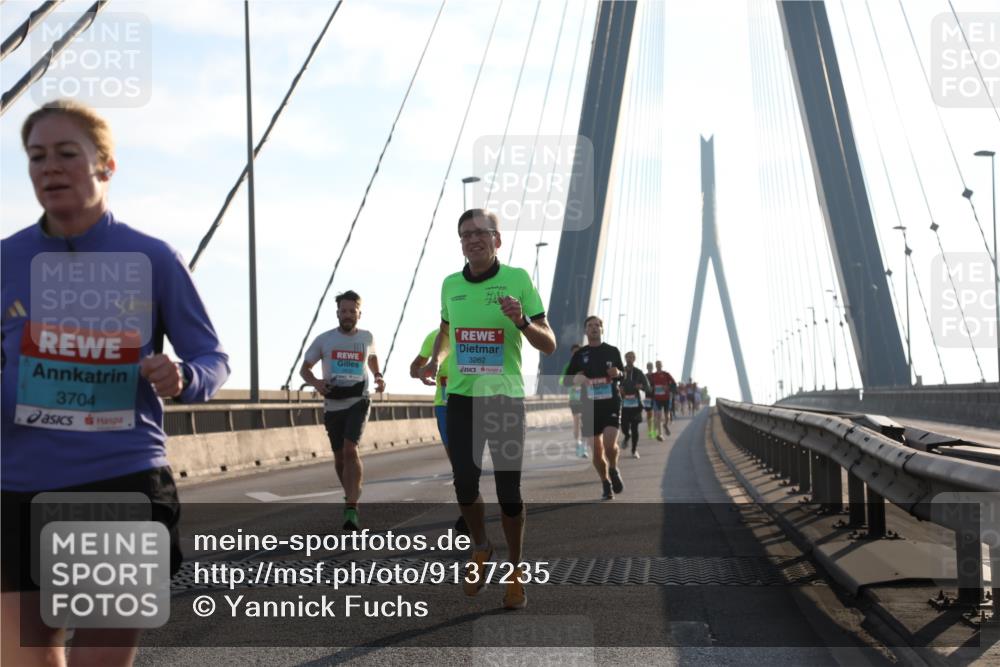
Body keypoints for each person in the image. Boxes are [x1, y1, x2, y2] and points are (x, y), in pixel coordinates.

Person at [1, 99, 230, 667]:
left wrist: (185, 376)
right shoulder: (6, 259)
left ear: (105, 165)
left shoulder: (151, 257)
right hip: (16, 484)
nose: (49, 168)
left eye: (65, 154)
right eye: (36, 157)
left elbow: (210, 355)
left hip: (118, 480)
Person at [419, 209, 555, 610]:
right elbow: (446, 333)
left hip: (504, 399)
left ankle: (515, 573)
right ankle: (481, 545)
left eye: (481, 233)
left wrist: (523, 323)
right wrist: (435, 360)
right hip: (461, 398)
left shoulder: (518, 280)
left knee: (509, 493)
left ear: (498, 239)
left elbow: (548, 344)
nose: (472, 239)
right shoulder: (449, 285)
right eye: (465, 234)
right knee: (464, 484)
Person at [300, 290, 385, 532]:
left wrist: (378, 376)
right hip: (333, 403)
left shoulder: (367, 337)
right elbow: (305, 369)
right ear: (338, 313)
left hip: (359, 400)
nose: (348, 315)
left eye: (352, 311)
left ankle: (351, 505)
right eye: (344, 311)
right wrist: (316, 383)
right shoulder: (325, 340)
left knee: (350, 449)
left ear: (359, 313)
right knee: (339, 457)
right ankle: (350, 495)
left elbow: (373, 358)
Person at [410, 328, 468, 535]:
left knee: (469, 464)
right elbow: (413, 368)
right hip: (444, 407)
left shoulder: (475, 330)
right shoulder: (433, 336)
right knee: (459, 467)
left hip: (474, 402)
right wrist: (422, 372)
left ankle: (470, 512)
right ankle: (468, 512)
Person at [564, 316, 624, 500]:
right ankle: (605, 483)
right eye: (590, 325)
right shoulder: (579, 355)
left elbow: (623, 375)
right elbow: (567, 380)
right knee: (596, 452)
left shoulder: (612, 351)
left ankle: (613, 469)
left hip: (610, 403)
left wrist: (618, 373)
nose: (594, 328)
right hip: (589, 407)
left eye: (597, 325)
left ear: (602, 329)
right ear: (585, 331)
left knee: (609, 445)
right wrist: (577, 379)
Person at [619, 351, 651, 458]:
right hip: (624, 404)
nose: (629, 359)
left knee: (634, 428)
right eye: (627, 357)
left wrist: (640, 387)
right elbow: (613, 385)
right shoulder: (620, 372)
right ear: (625, 358)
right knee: (624, 427)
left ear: (634, 359)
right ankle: (627, 436)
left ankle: (634, 450)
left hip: (636, 405)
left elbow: (648, 387)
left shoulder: (638, 372)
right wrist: (619, 389)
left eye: (631, 357)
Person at [561, 344, 587, 458]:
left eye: (578, 352)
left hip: (586, 397)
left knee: (585, 423)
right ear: (572, 354)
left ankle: (584, 448)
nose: (576, 354)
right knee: (577, 420)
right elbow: (562, 380)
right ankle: (578, 444)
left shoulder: (586, 364)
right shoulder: (568, 365)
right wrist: (574, 378)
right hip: (574, 397)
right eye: (574, 352)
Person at [647, 361, 674, 439]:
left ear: (662, 365)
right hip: (655, 398)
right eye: (657, 365)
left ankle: (665, 425)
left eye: (659, 365)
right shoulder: (652, 376)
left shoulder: (666, 374)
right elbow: (648, 385)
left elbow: (674, 384)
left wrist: (668, 387)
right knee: (656, 415)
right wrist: (651, 388)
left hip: (666, 398)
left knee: (667, 417)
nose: (658, 366)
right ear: (655, 366)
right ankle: (659, 434)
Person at [644, 361, 657, 439]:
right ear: (647, 367)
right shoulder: (644, 376)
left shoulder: (655, 376)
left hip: (656, 397)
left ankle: (654, 431)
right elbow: (641, 385)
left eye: (651, 366)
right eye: (648, 366)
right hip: (647, 397)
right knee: (649, 415)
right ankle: (650, 431)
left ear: (652, 367)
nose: (650, 368)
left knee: (656, 414)